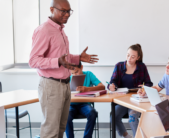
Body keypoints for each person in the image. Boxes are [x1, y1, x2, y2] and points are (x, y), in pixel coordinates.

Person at [29, 0, 98, 137]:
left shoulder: (60, 31)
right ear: (51, 9)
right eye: (63, 11)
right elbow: (33, 61)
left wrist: (78, 57)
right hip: (51, 85)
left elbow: (63, 58)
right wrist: (57, 61)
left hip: (65, 85)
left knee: (60, 129)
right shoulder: (44, 30)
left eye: (69, 11)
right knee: (50, 131)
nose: (67, 14)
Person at [108, 44, 153, 138]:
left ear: (138, 57)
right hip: (122, 100)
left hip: (136, 100)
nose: (129, 58)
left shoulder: (142, 67)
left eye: (133, 57)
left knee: (132, 118)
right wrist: (111, 86)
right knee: (113, 116)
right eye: (128, 55)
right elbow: (113, 82)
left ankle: (138, 137)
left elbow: (149, 83)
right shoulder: (119, 66)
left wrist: (144, 88)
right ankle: (127, 136)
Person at [65, 62, 105, 138]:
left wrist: (87, 89)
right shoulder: (67, 77)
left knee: (92, 113)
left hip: (85, 104)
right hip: (71, 104)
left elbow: (102, 86)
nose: (75, 75)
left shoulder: (88, 74)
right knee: (66, 115)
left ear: (82, 67)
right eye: (73, 73)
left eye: (77, 71)